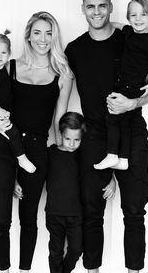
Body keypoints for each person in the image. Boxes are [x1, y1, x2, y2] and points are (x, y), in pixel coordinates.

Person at [65, 0, 148, 273]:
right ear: (83, 9)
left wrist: (132, 104)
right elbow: (62, 90)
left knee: (134, 211)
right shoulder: (75, 49)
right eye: (91, 6)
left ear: (110, 7)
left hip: (131, 132)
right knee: (92, 213)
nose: (97, 11)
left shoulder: (128, 39)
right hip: (94, 135)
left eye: (102, 5)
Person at [0, 11, 73, 273]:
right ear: (28, 36)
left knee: (29, 218)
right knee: (1, 218)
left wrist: (61, 160)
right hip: (3, 147)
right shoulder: (8, 66)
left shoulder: (63, 73)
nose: (43, 39)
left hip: (36, 151)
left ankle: (24, 270)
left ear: (54, 37)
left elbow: (59, 122)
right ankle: (4, 269)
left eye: (49, 33)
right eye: (37, 32)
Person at [94, 0, 148, 170]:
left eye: (143, 15)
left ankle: (112, 155)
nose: (138, 19)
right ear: (129, 18)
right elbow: (118, 25)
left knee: (111, 116)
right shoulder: (129, 32)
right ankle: (123, 160)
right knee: (124, 121)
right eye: (133, 15)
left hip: (132, 85)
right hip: (124, 83)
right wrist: (105, 20)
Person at [44, 111, 116, 273]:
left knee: (76, 249)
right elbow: (34, 174)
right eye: (68, 139)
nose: (71, 144)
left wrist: (112, 180)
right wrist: (17, 181)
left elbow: (99, 170)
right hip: (54, 213)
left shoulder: (82, 156)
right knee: (55, 252)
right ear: (61, 134)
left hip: (76, 215)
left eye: (77, 140)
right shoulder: (51, 153)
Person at [0, 29, 36, 173]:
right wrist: (0, 111)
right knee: (13, 133)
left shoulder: (2, 69)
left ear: (9, 54)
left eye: (3, 53)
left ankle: (17, 158)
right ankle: (22, 159)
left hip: (2, 110)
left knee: (14, 134)